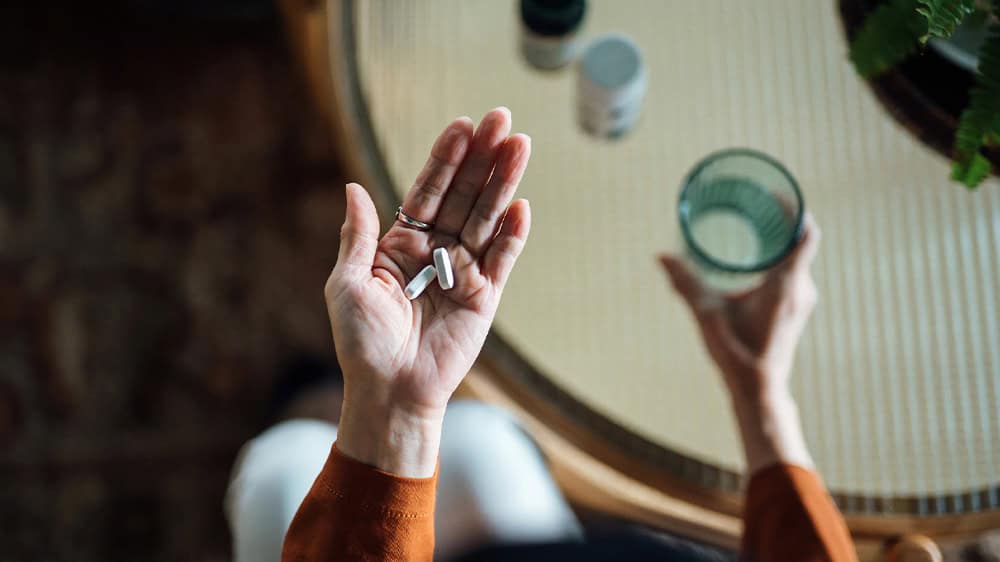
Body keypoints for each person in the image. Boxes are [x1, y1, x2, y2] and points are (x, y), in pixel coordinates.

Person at [231, 108, 859, 561]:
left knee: (279, 465)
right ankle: (323, 410)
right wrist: (760, 389)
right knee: (482, 438)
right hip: (528, 550)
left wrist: (390, 409)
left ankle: (306, 411)